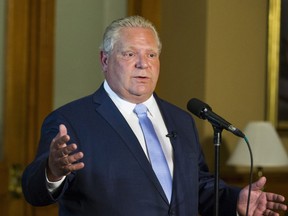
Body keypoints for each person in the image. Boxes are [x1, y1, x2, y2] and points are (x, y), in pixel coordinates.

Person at [22, 15, 287, 216]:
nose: (143, 63)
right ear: (104, 60)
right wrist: (52, 172)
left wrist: (235, 199)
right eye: (129, 54)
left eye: (151, 54)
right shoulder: (71, 121)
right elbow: (33, 192)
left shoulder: (181, 120)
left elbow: (196, 186)